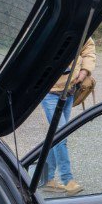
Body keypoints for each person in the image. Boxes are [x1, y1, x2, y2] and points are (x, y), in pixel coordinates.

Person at [40, 37, 95, 194]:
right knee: (61, 136)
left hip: (70, 90)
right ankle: (67, 179)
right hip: (50, 92)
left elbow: (89, 48)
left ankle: (47, 179)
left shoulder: (81, 25)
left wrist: (84, 71)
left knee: (55, 135)